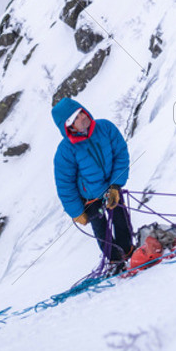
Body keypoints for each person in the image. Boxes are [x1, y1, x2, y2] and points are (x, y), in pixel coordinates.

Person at [51, 97, 133, 273]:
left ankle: (129, 253)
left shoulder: (105, 128)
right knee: (102, 232)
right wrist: (76, 211)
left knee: (121, 220)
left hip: (111, 188)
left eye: (81, 112)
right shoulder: (66, 151)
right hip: (90, 199)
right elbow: (65, 183)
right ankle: (115, 262)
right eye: (76, 118)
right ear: (68, 126)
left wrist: (115, 185)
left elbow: (121, 154)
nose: (83, 117)